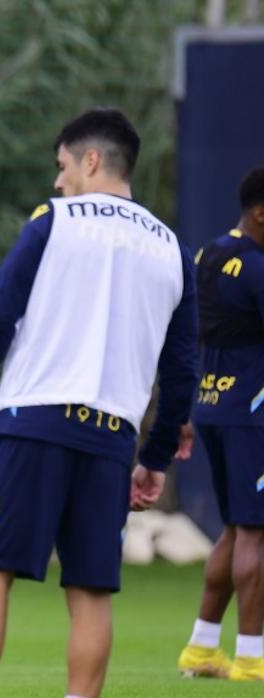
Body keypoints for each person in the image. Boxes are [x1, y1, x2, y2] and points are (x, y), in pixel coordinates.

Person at [0, 108, 199, 698]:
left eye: (62, 166)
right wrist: (155, 458)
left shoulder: (51, 221)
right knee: (91, 591)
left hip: (33, 423)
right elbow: (183, 371)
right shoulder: (172, 250)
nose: (58, 181)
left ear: (90, 160)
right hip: (111, 439)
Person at [176, 165, 264, 682]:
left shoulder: (206, 254)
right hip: (252, 411)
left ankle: (202, 648)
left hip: (210, 403)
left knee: (235, 529)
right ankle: (253, 658)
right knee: (256, 533)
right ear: (260, 211)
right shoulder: (256, 268)